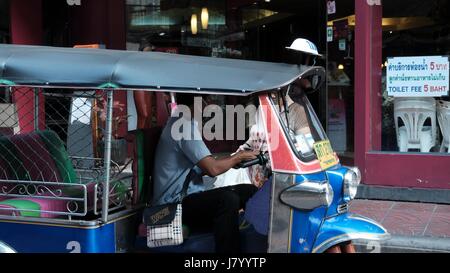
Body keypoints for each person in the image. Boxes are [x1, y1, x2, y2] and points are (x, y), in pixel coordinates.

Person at [152, 93, 259, 253]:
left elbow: (203, 167)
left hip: (186, 198)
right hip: (172, 207)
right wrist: (238, 157)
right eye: (206, 99)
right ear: (198, 101)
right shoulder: (183, 126)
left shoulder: (183, 122)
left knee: (248, 191)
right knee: (227, 199)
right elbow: (212, 169)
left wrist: (232, 160)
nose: (209, 104)